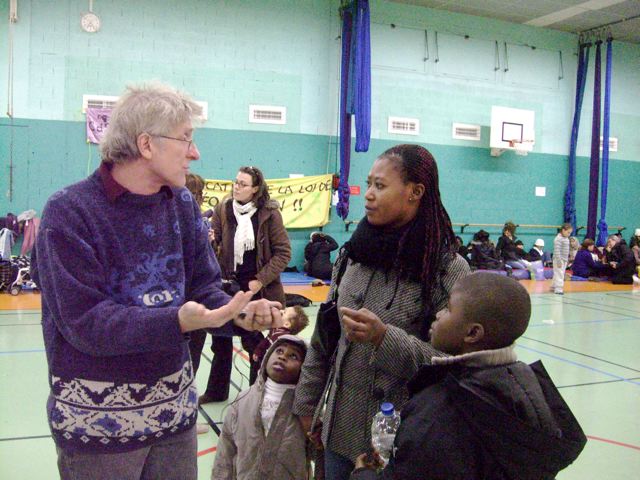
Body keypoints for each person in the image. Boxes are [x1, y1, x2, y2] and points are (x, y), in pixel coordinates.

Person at [30, 83, 283, 480]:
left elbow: (204, 286)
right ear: (146, 145)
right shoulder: (69, 212)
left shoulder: (182, 205)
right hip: (98, 433)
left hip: (174, 421)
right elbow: (85, 323)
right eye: (186, 139)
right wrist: (177, 321)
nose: (195, 152)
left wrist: (237, 312)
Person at [293, 144, 470, 480]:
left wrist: (385, 339)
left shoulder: (447, 269)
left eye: (380, 186)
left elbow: (454, 365)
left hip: (401, 444)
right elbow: (324, 337)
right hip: (337, 432)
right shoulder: (352, 255)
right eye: (369, 184)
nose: (368, 195)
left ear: (415, 192)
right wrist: (307, 405)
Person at [350, 272, 587, 479]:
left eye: (448, 309)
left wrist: (364, 474)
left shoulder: (438, 414)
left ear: (472, 333)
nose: (439, 314)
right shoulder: (528, 383)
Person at [197, 165, 292, 402]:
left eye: (243, 184)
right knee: (220, 343)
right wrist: (209, 238)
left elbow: (283, 253)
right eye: (235, 182)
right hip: (226, 286)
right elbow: (216, 239)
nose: (236, 187)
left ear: (256, 189)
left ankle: (254, 396)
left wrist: (259, 282)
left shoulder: (269, 214)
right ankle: (216, 391)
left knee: (257, 348)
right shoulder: (223, 207)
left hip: (259, 290)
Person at [212, 335, 309, 480]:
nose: (283, 357)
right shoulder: (242, 401)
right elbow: (225, 452)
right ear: (268, 356)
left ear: (304, 368)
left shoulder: (306, 409)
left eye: (293, 356)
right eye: (279, 351)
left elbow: (319, 455)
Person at [551, 223, 572, 294]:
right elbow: (557, 250)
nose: (569, 234)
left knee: (559, 273)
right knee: (559, 274)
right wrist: (559, 261)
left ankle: (553, 286)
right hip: (558, 259)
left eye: (570, 233)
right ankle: (558, 289)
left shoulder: (566, 238)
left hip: (564, 260)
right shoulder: (558, 239)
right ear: (563, 230)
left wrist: (567, 259)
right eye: (568, 232)